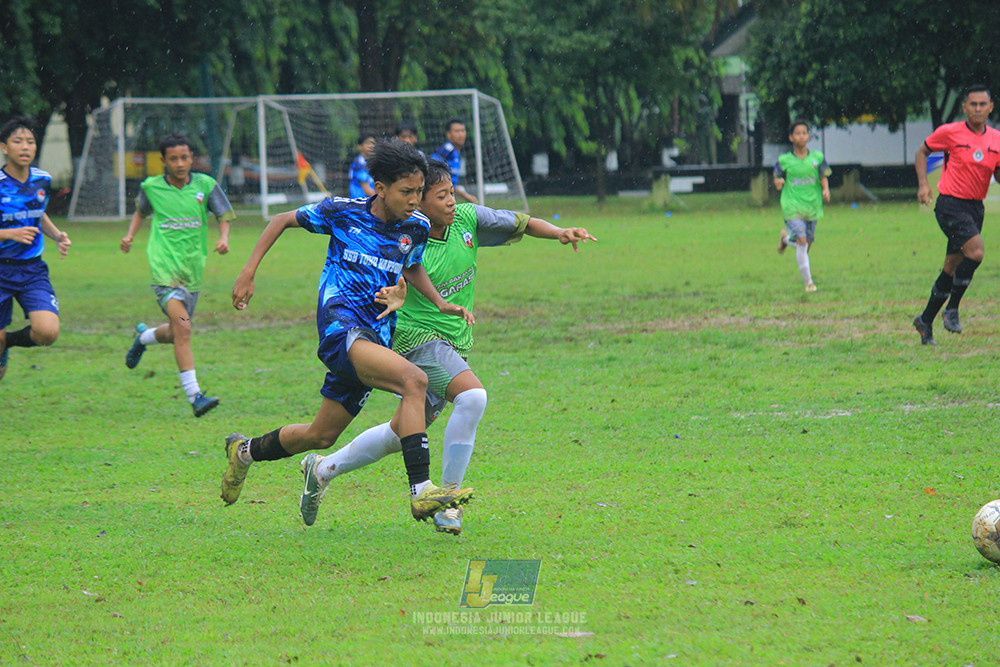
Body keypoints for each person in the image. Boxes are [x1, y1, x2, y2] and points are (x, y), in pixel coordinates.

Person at [297, 160, 597, 534]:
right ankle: (447, 504)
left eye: (452, 192)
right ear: (417, 202)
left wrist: (559, 232)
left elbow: (521, 222)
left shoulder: (468, 219)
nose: (452, 201)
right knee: (473, 398)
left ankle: (323, 469)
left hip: (453, 342)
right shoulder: (405, 239)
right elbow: (384, 277)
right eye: (442, 196)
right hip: (415, 339)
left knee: (403, 432)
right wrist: (396, 293)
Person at [222, 139, 476, 525]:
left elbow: (410, 267)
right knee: (415, 380)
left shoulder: (417, 226)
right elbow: (281, 220)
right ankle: (421, 491)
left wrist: (436, 301)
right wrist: (248, 270)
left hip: (374, 336)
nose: (414, 199)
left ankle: (244, 452)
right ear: (380, 188)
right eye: (406, 191)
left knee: (320, 436)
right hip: (341, 327)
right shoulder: (341, 212)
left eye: (419, 191)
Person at [120, 133, 235, 417]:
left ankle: (144, 337)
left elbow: (223, 214)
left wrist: (224, 238)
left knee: (176, 331)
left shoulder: (205, 186)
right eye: (174, 158)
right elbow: (140, 212)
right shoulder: (152, 187)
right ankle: (195, 396)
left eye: (185, 157)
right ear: (163, 161)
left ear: (191, 159)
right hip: (164, 272)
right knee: (183, 328)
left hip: (192, 271)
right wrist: (130, 236)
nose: (180, 163)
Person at [913, 84, 1000, 345]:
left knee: (951, 267)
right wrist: (923, 184)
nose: (977, 109)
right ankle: (952, 310)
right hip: (951, 205)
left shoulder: (996, 139)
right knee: (975, 253)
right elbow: (922, 151)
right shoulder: (950, 132)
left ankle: (925, 321)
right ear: (964, 107)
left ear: (990, 107)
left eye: (982, 104)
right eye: (972, 104)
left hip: (975, 207)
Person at [0, 116, 72, 381]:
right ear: (4, 147)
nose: (25, 146)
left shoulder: (42, 180)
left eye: (30, 141)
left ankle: (7, 341)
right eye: (17, 141)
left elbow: (38, 213)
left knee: (47, 332)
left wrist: (57, 236)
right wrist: (9, 233)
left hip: (32, 269)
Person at [774, 119, 831, 293]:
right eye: (797, 133)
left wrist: (826, 189)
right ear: (791, 137)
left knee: (806, 245)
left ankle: (785, 240)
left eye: (804, 133)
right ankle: (809, 283)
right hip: (792, 206)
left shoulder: (817, 157)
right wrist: (778, 182)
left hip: (812, 206)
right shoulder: (784, 160)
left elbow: (823, 176)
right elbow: (776, 175)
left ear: (808, 136)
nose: (801, 136)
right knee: (802, 241)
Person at [431, 118, 478, 205]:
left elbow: (449, 182)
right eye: (456, 131)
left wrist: (466, 196)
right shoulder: (446, 151)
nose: (460, 134)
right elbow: (431, 170)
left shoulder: (456, 153)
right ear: (448, 134)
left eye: (462, 131)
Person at [348, 133, 376, 198]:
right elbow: (367, 190)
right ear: (359, 147)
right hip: (359, 203)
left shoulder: (370, 162)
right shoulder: (359, 164)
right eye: (368, 143)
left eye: (373, 143)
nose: (371, 146)